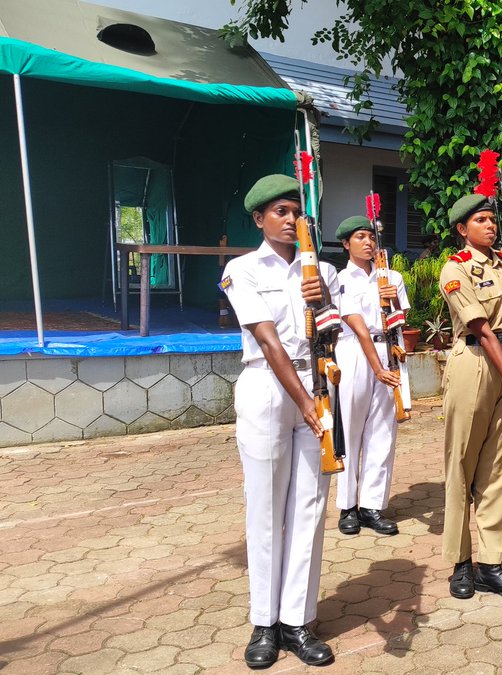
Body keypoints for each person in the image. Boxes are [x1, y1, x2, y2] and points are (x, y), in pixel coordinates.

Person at [219, 174, 339, 668]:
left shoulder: (323, 272)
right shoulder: (241, 269)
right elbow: (268, 342)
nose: (291, 221)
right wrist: (307, 404)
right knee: (266, 508)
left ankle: (297, 620)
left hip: (316, 386)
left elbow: (332, 336)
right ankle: (264, 623)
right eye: (281, 212)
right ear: (259, 219)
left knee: (309, 507)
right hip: (269, 391)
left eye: (296, 212)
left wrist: (321, 302)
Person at [439, 193, 502, 602]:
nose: (490, 225)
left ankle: (491, 564)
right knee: (462, 464)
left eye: (491, 219)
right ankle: (461, 563)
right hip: (475, 365)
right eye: (480, 220)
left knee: (500, 467)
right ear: (463, 229)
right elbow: (481, 328)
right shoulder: (455, 268)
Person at [333, 216, 410, 537]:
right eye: (359, 237)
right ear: (345, 244)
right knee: (350, 430)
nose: (367, 243)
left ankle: (372, 505)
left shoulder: (392, 276)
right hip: (353, 353)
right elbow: (353, 322)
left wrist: (390, 298)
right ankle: (347, 506)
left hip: (388, 348)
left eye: (371, 237)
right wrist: (376, 368)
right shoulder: (339, 279)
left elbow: (401, 317)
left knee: (382, 431)